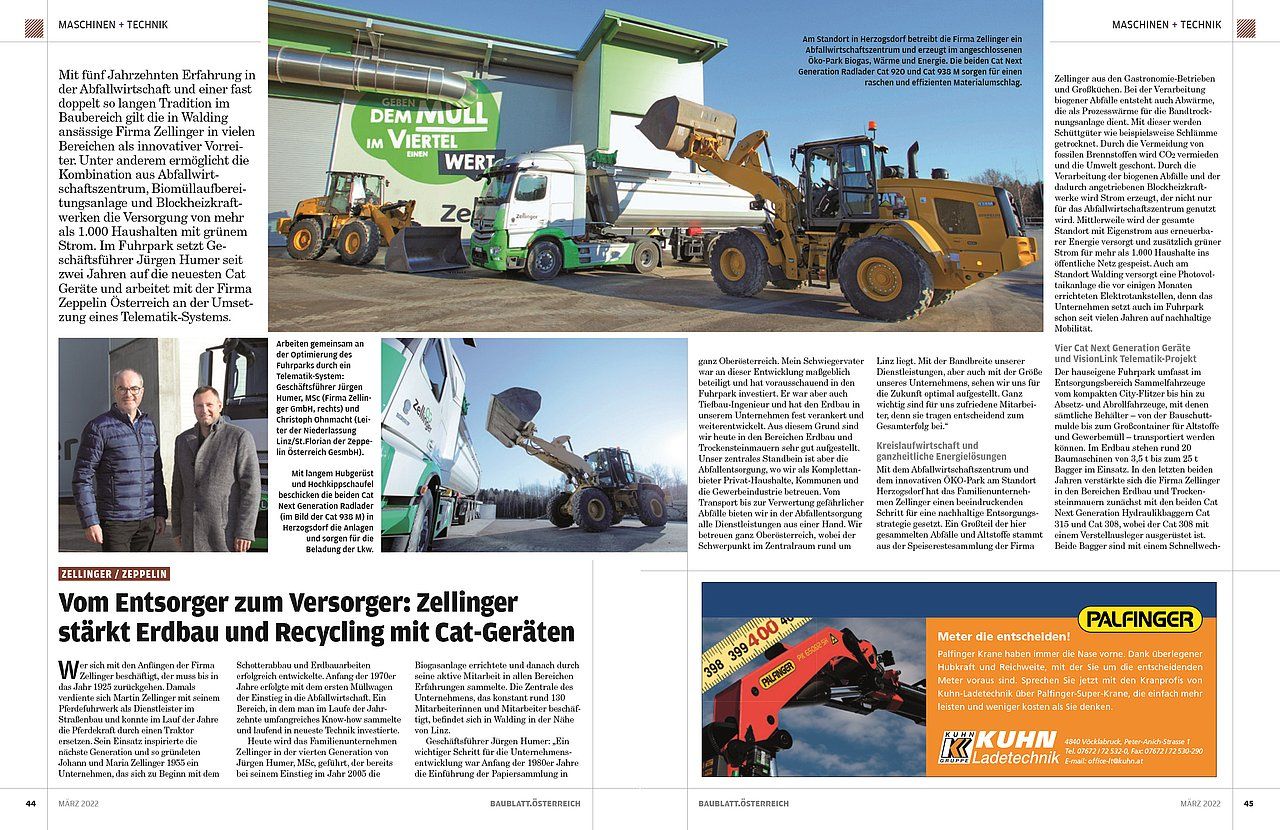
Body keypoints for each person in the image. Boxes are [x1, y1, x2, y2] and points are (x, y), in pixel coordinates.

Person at [72, 368, 168, 551]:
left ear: (142, 391)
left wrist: (160, 513)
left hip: (146, 522)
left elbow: (155, 473)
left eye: (134, 388)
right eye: (122, 389)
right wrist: (90, 521)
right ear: (114, 391)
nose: (128, 394)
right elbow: (82, 478)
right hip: (115, 523)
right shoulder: (98, 428)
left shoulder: (148, 426)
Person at [171, 386, 261, 552]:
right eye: (199, 406)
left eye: (209, 405)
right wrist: (177, 528)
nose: (204, 410)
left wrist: (245, 531)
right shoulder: (182, 440)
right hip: (190, 534)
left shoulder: (239, 437)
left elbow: (251, 489)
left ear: (219, 406)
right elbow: (178, 489)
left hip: (224, 533)